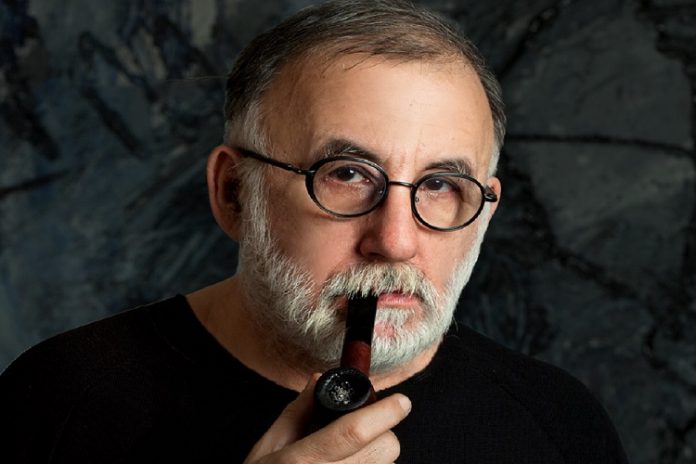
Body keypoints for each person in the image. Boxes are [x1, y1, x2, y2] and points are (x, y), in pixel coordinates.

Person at [1, 1, 628, 462]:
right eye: (347, 174)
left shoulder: (558, 423)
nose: (396, 241)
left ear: (484, 212)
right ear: (234, 193)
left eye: (440, 184)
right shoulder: (58, 399)